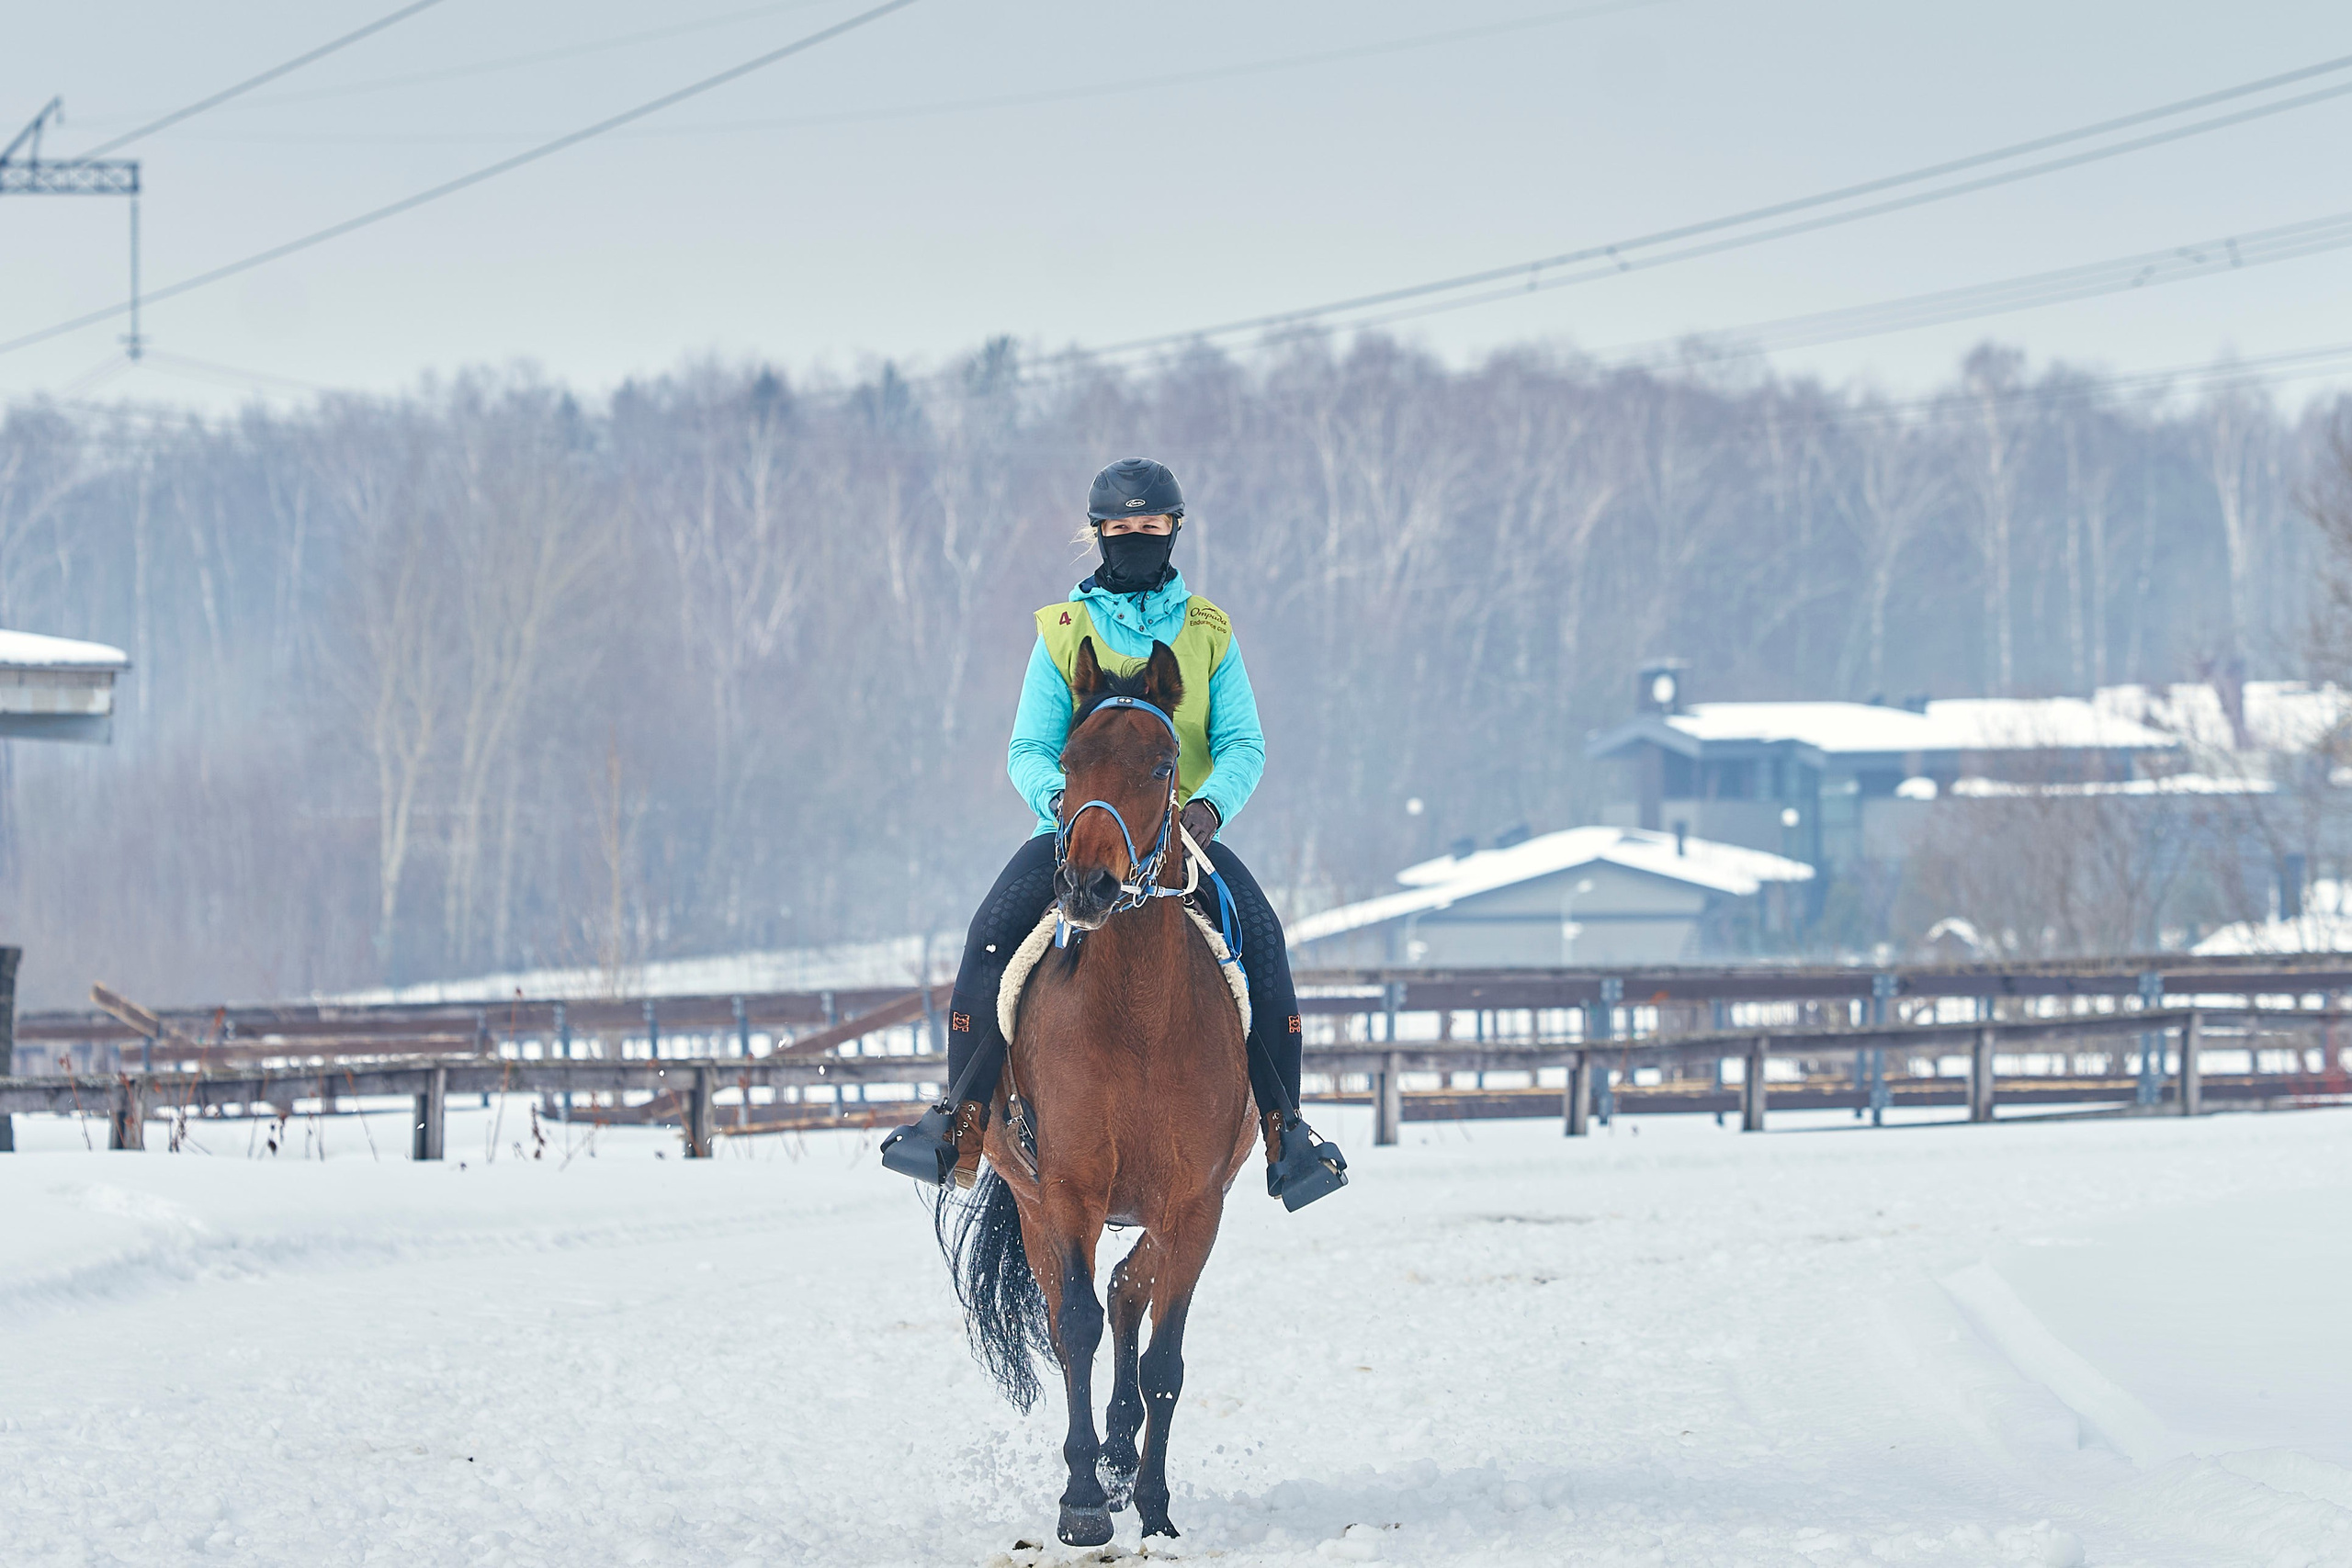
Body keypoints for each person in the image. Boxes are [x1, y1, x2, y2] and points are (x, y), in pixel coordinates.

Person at [881, 457, 1346, 1207]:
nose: (1135, 537)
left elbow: (1243, 744)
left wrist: (1210, 808)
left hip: (1177, 831)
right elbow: (1027, 747)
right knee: (990, 933)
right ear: (1099, 534)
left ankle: (1285, 1130)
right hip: (1077, 832)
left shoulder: (1209, 632)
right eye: (1121, 528)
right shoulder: (1062, 631)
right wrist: (1069, 804)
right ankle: (960, 1120)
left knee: (1263, 937)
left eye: (1149, 526)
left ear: (1173, 530)